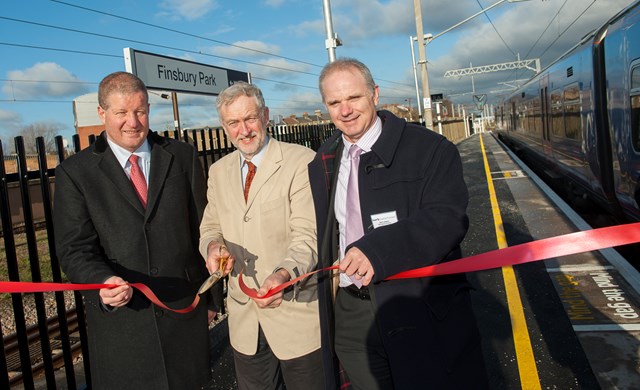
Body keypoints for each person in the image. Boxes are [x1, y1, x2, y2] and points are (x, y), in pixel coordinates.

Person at [308, 58, 489, 389]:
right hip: (351, 311)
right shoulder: (323, 161)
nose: (345, 110)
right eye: (334, 102)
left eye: (354, 98)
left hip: (416, 308)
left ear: (375, 94)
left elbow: (447, 218)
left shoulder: (430, 149)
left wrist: (376, 251)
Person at [53, 71, 221, 390]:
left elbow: (203, 225)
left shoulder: (182, 156)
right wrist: (101, 281)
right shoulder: (75, 173)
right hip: (124, 326)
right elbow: (75, 248)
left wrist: (211, 299)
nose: (133, 122)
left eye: (140, 111)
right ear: (102, 113)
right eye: (121, 113)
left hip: (183, 313)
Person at [199, 81, 324, 390]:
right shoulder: (218, 171)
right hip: (245, 322)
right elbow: (210, 227)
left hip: (296, 313)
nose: (244, 130)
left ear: (266, 116)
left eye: (250, 118)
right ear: (224, 126)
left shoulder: (301, 161)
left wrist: (284, 274)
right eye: (233, 122)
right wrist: (213, 247)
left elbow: (308, 236)